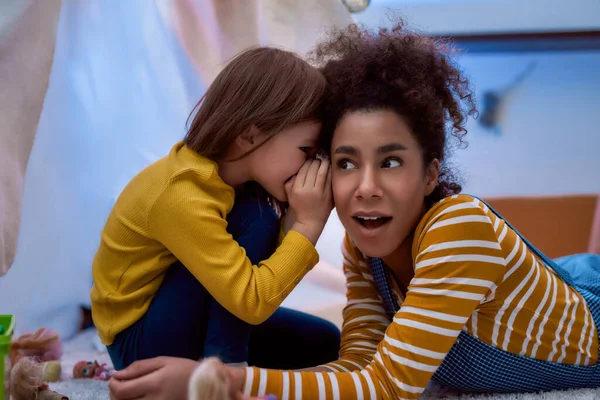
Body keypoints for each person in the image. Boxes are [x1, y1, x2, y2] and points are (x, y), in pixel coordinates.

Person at [108, 20, 600, 400]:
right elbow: (358, 371)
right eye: (345, 162)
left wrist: (225, 381)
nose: (365, 187)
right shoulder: (362, 249)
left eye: (390, 161)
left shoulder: (459, 226)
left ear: (430, 174)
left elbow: (387, 388)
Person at [90, 46, 340, 373]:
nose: (310, 164)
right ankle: (226, 368)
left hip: (187, 322)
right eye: (305, 150)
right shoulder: (181, 194)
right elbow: (253, 301)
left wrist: (295, 217)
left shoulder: (233, 187)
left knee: (324, 340)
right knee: (257, 214)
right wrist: (307, 225)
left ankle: (221, 359)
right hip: (139, 344)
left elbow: (265, 281)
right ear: (249, 135)